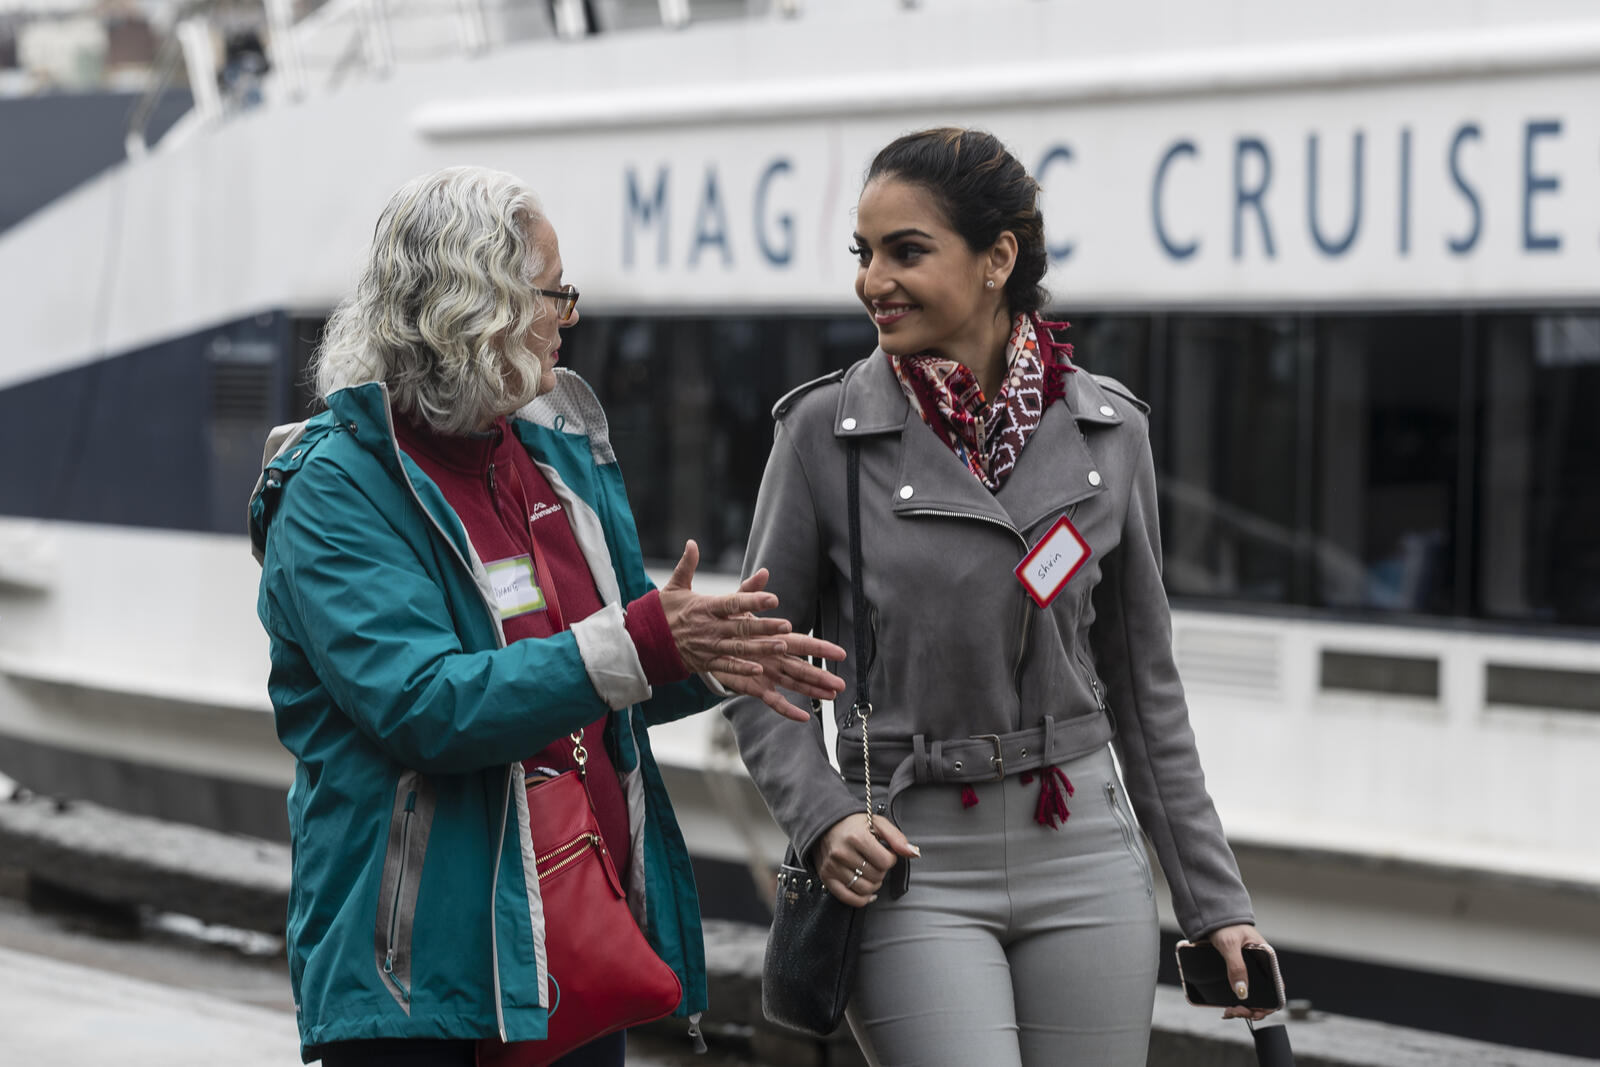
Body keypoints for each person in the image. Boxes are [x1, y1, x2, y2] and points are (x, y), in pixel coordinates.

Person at [248, 165, 845, 1067]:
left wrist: (709, 654)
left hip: (564, 944)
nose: (570, 315)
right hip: (417, 980)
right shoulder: (335, 487)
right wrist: (645, 638)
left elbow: (591, 678)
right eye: (552, 292)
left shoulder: (545, 459)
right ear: (473, 305)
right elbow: (425, 705)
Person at [725, 128, 1273, 1066]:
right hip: (906, 853)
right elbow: (757, 674)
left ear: (998, 260)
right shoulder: (822, 433)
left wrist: (1217, 907)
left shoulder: (1111, 433)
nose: (872, 282)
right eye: (863, 254)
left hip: (1086, 854)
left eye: (906, 251)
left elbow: (1144, 694)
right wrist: (822, 819)